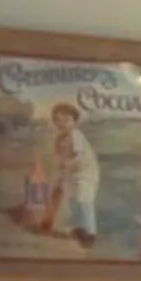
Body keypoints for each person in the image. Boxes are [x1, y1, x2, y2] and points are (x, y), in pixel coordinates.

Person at [46, 102, 100, 250]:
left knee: (83, 200)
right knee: (72, 200)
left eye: (66, 120)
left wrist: (66, 165)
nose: (62, 124)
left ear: (75, 121)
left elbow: (78, 157)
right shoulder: (60, 139)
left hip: (85, 173)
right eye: (58, 120)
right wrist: (61, 173)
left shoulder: (75, 135)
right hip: (71, 174)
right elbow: (60, 159)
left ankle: (90, 233)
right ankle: (79, 228)